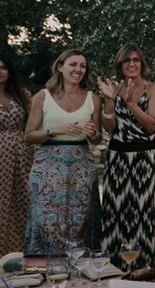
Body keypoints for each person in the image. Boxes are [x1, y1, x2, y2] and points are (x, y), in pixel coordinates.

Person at [98, 44, 155, 271]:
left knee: (147, 214)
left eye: (136, 60)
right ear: (120, 65)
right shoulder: (114, 89)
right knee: (117, 215)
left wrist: (130, 103)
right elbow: (109, 127)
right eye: (127, 60)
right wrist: (110, 101)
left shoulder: (154, 89)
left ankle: (150, 267)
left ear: (142, 64)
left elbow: (151, 126)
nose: (131, 64)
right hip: (118, 161)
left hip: (144, 161)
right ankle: (117, 269)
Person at [23, 49, 102, 254]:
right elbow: (28, 136)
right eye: (73, 64)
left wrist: (93, 133)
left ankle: (82, 274)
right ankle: (44, 272)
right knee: (46, 222)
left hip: (82, 167)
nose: (78, 69)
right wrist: (54, 130)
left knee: (80, 222)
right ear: (60, 67)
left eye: (82, 66)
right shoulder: (42, 97)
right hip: (46, 166)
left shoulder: (93, 99)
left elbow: (97, 138)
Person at [0, 52, 34, 255]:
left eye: (3, 67)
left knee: (23, 203)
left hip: (23, 155)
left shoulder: (22, 95)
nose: (0, 72)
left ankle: (22, 256)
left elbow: (33, 123)